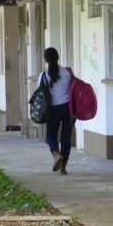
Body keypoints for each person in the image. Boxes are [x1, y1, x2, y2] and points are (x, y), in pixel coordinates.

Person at [41, 47, 73, 175]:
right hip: (66, 109)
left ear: (46, 60)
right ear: (58, 57)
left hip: (52, 110)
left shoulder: (44, 76)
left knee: (50, 136)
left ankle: (56, 155)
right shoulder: (67, 73)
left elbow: (40, 93)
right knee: (66, 138)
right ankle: (64, 167)